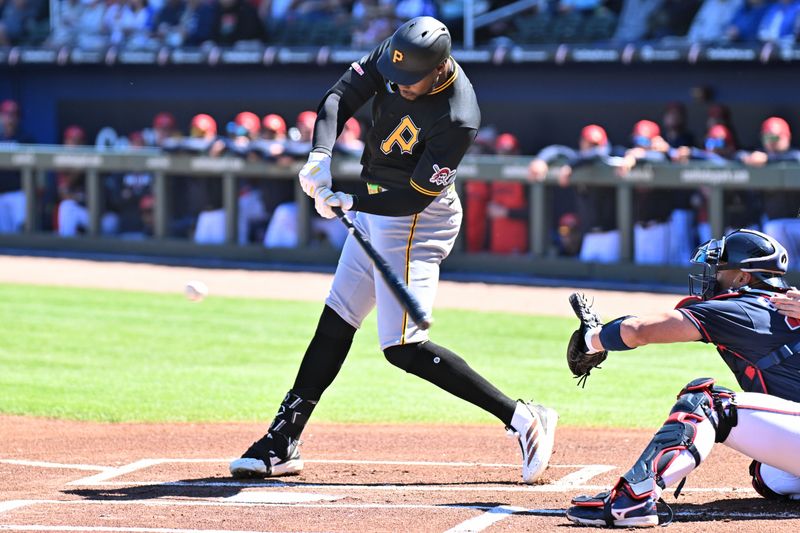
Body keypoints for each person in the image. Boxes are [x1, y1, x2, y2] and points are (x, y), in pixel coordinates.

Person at [230, 16, 558, 484]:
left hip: (415, 219)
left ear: (439, 67)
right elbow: (339, 97)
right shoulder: (397, 56)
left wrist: (352, 200)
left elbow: (416, 196)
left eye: (410, 81)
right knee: (336, 320)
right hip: (376, 206)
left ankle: (524, 418)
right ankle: (284, 440)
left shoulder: (458, 116)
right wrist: (320, 155)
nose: (399, 85)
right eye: (396, 76)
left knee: (402, 347)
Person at [565, 228, 800, 527]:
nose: (713, 275)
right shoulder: (784, 306)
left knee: (708, 403)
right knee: (770, 475)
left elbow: (640, 330)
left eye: (721, 268)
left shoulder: (744, 308)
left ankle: (635, 498)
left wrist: (592, 339)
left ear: (742, 277)